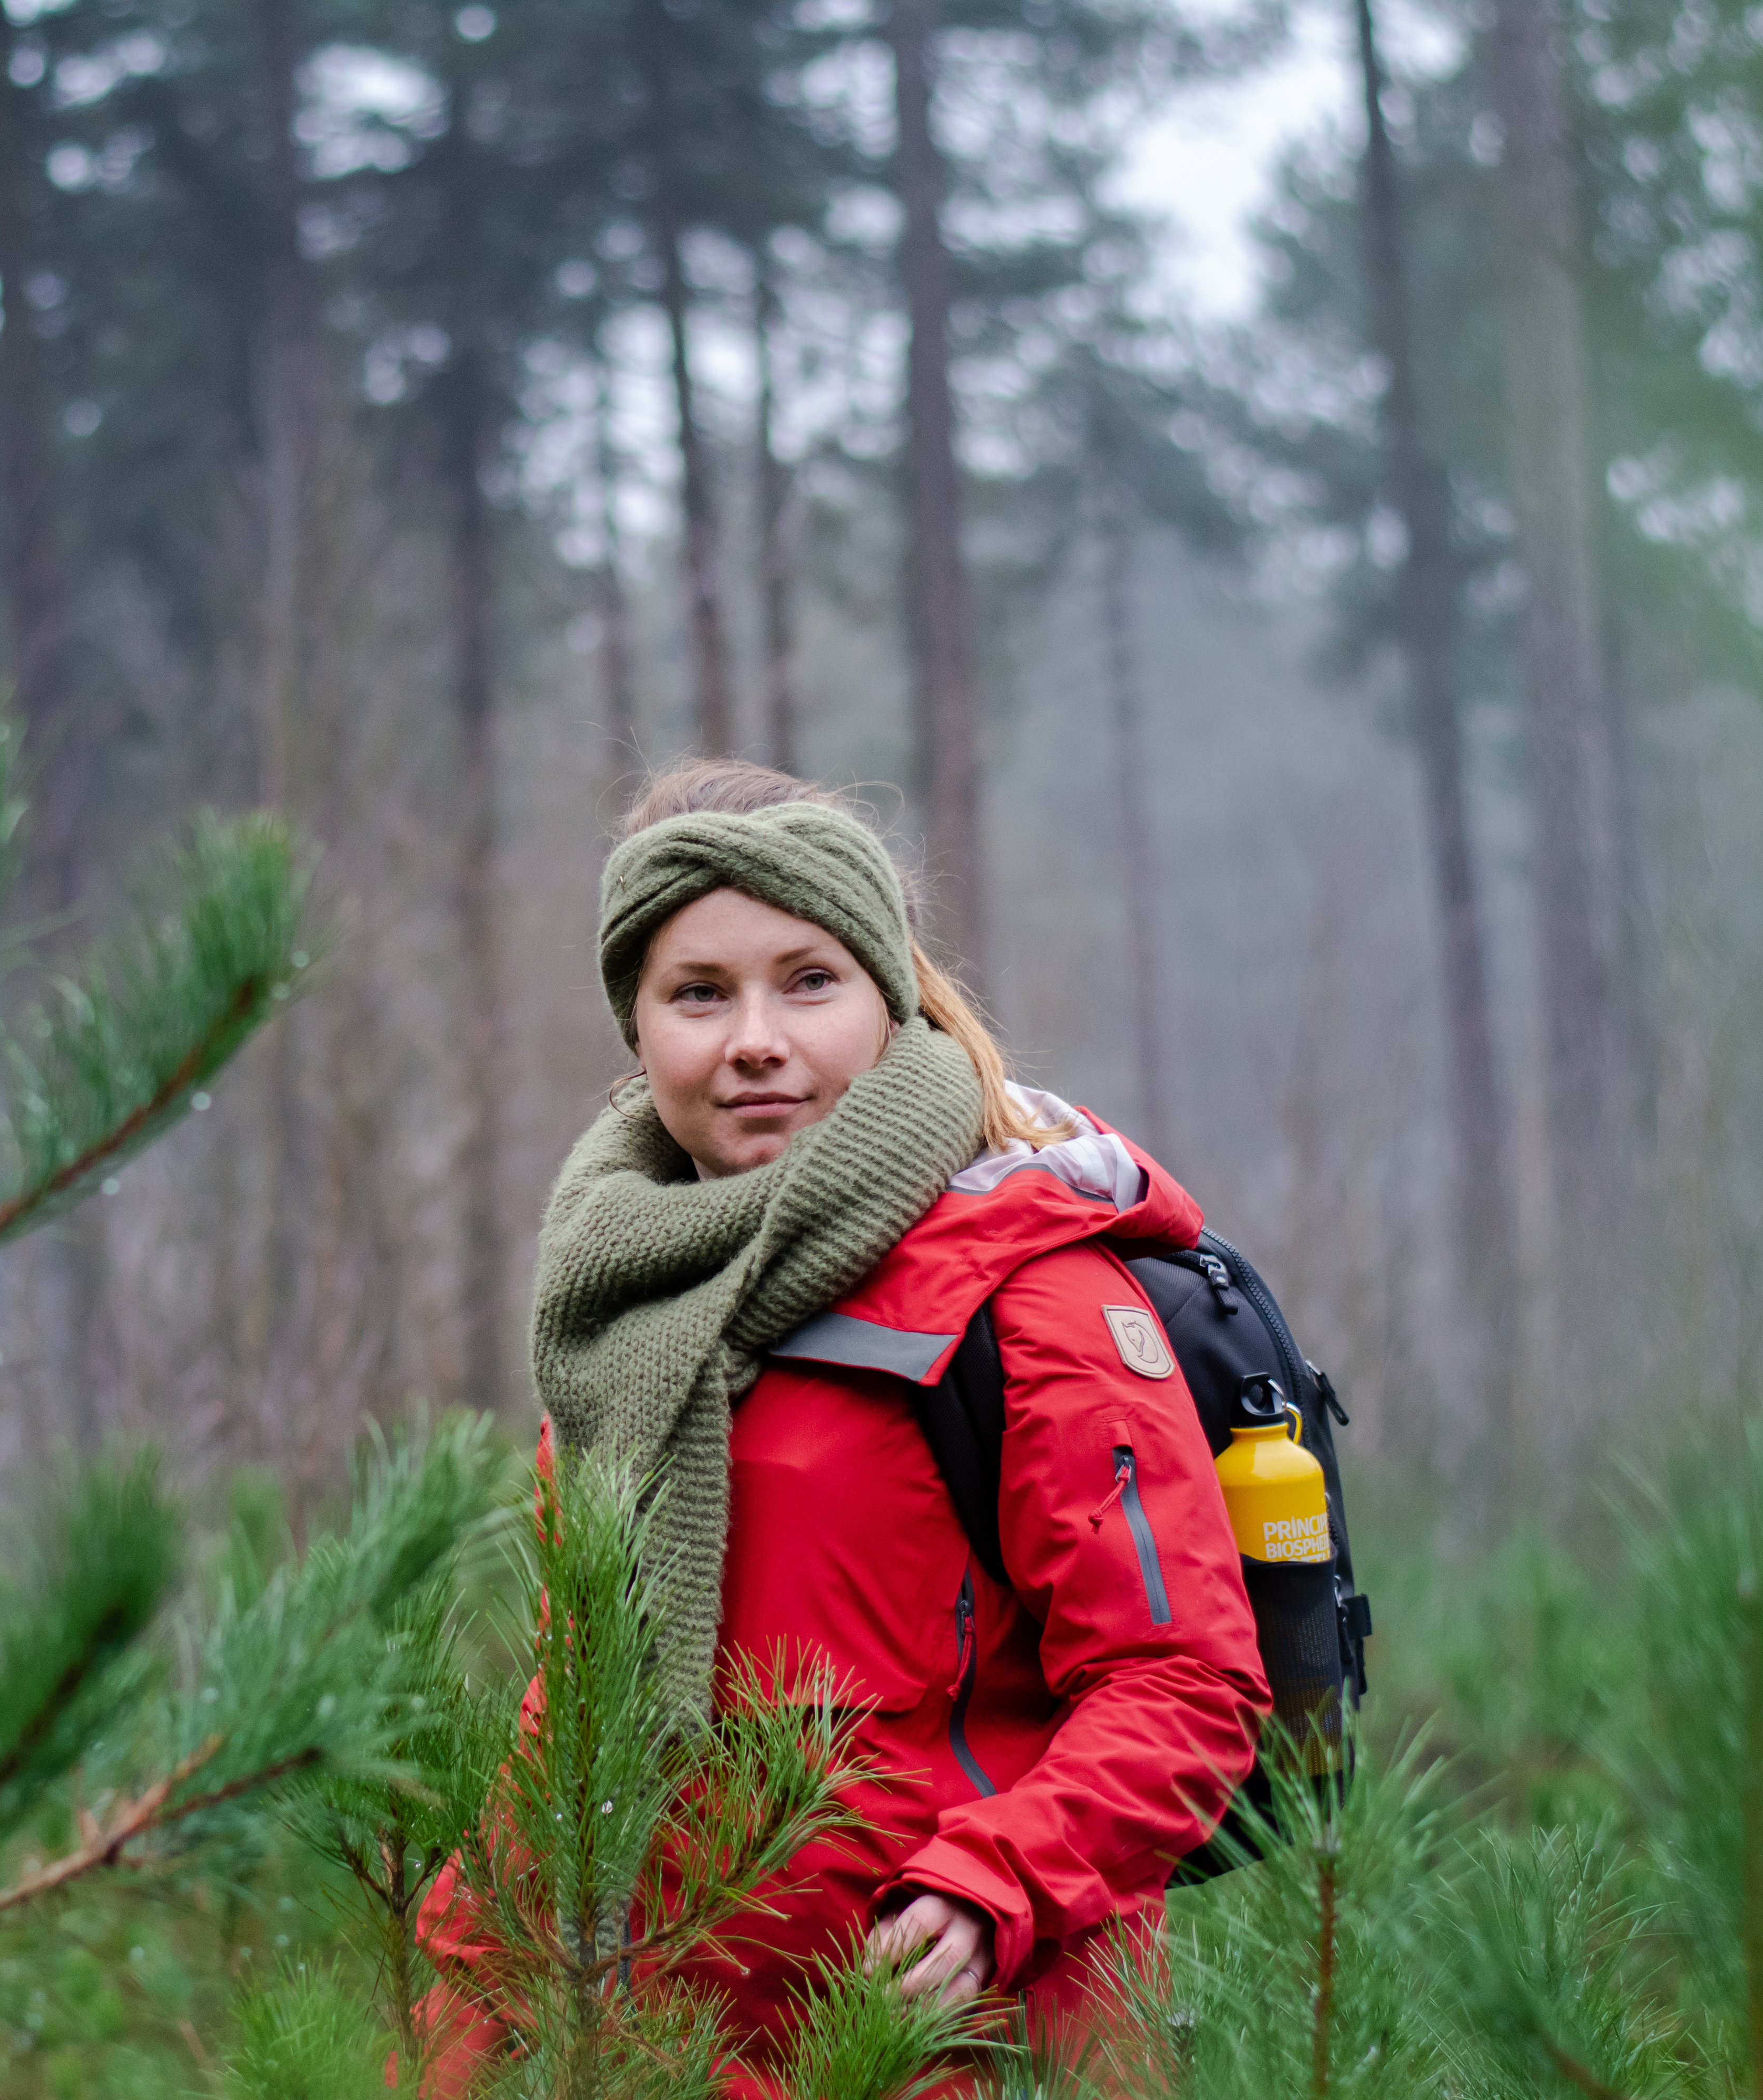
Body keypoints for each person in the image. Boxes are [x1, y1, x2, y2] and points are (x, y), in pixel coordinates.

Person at [422, 759, 1267, 2092]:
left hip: (972, 2055)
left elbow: (1186, 1686)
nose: (755, 1036)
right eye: (699, 992)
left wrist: (993, 1884)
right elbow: (575, 1721)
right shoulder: (622, 1322)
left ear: (886, 997)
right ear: (637, 1029)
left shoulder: (1030, 1290)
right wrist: (459, 2015)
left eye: (806, 979)